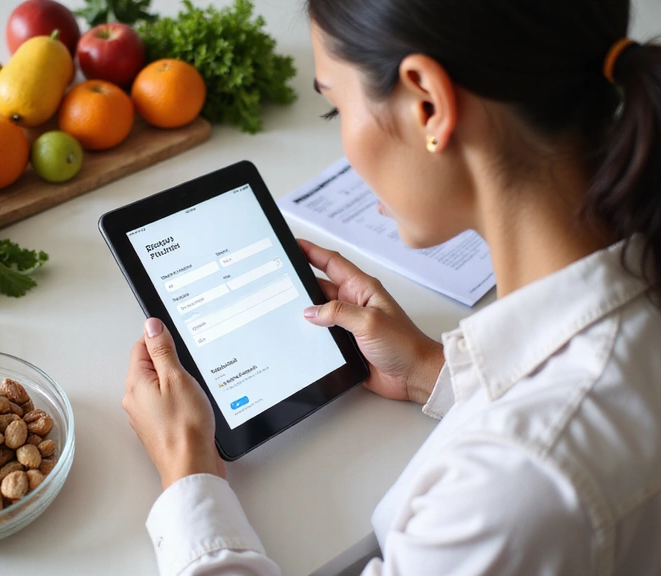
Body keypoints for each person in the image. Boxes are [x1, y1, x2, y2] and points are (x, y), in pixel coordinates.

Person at [122, 0, 661, 573]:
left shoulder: (509, 492)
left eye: (335, 108)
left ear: (427, 104)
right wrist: (433, 371)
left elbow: (535, 466)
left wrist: (188, 472)